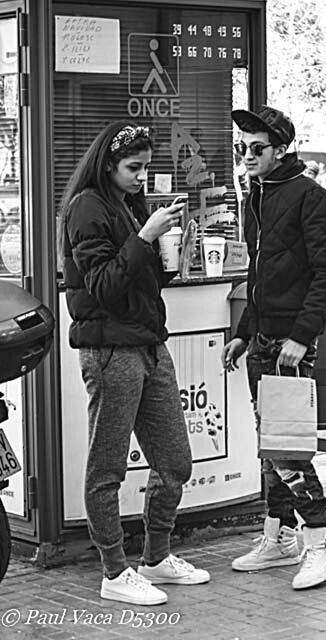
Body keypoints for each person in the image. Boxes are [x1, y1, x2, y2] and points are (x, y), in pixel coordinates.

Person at [60, 121, 210, 606]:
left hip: (148, 344)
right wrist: (144, 237)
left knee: (175, 462)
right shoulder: (87, 208)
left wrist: (172, 254)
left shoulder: (129, 205)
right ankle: (113, 570)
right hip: (109, 352)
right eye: (133, 167)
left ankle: (156, 556)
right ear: (108, 164)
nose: (142, 176)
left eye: (146, 167)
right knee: (107, 468)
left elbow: (139, 284)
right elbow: (102, 286)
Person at [222, 105, 326, 590]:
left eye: (256, 149)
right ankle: (280, 535)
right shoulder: (258, 194)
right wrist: (243, 331)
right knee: (270, 447)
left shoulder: (309, 197)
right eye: (242, 148)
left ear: (280, 150)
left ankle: (320, 540)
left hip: (290, 342)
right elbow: (260, 275)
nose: (247, 157)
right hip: (263, 338)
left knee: (286, 448)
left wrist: (302, 336)